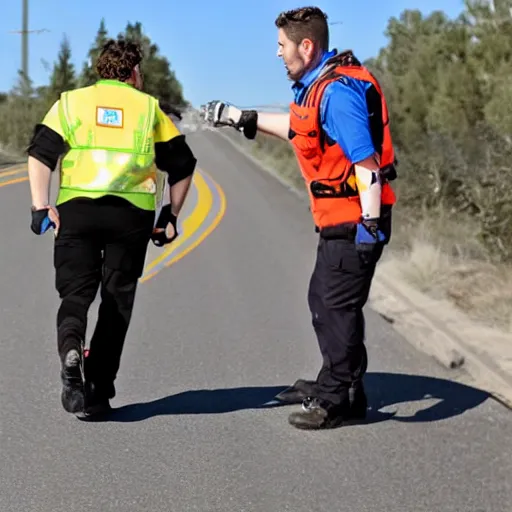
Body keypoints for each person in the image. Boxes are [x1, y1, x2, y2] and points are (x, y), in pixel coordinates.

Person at [202, 6, 397, 430]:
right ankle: (342, 383)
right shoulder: (316, 88)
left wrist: (368, 225)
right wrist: (240, 117)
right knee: (330, 303)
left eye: (281, 46)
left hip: (354, 220)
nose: (277, 54)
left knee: (332, 306)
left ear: (306, 47)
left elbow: (366, 165)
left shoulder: (337, 94)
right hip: (339, 218)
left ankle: (336, 400)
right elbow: (297, 127)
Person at [26, 38, 197, 418]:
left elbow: (40, 153)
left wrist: (41, 205)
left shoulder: (71, 102)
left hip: (77, 212)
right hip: (130, 217)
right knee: (116, 300)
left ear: (100, 70)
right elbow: (183, 165)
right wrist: (169, 216)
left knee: (76, 295)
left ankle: (72, 346)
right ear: (135, 72)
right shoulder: (149, 108)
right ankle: (97, 391)